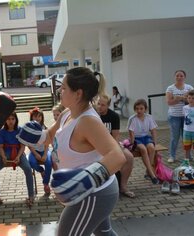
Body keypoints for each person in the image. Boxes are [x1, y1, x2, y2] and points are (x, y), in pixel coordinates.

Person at [19, 67, 126, 235]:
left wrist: (86, 179)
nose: (60, 92)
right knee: (104, 233)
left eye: (64, 88)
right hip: (92, 192)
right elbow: (49, 136)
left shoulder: (88, 122)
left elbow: (118, 156)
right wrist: (35, 136)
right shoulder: (67, 114)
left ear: (78, 93)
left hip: (94, 194)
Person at [0, 112, 35, 207]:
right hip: (5, 153)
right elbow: (0, 147)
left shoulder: (20, 130)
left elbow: (23, 146)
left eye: (12, 119)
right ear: (5, 121)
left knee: (27, 168)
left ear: (16, 120)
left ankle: (31, 196)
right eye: (8, 119)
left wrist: (18, 157)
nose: (10, 121)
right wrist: (3, 157)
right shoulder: (2, 132)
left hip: (18, 153)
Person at [96, 94, 135, 198]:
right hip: (94, 146)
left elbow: (115, 136)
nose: (100, 107)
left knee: (129, 157)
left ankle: (123, 186)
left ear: (108, 105)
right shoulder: (93, 115)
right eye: (98, 104)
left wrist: (113, 150)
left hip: (110, 144)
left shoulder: (113, 116)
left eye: (103, 105)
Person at [166, 70, 194, 163]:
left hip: (187, 117)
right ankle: (172, 156)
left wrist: (178, 98)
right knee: (175, 137)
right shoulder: (170, 88)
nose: (179, 77)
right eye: (177, 75)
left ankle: (189, 156)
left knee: (186, 138)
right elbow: (169, 102)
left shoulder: (189, 87)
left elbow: (193, 100)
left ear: (184, 77)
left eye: (181, 76)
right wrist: (183, 98)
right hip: (174, 116)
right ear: (174, 77)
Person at [128, 99, 159, 184]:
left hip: (146, 137)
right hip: (137, 139)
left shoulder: (149, 117)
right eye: (137, 108)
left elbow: (153, 130)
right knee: (143, 149)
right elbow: (131, 132)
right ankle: (152, 174)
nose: (139, 110)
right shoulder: (132, 118)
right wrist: (132, 143)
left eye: (141, 108)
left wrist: (155, 142)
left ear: (145, 109)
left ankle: (147, 171)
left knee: (151, 148)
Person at [28, 107, 52, 195]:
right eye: (34, 116)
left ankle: (46, 184)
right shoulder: (29, 129)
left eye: (39, 116)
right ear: (31, 118)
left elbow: (47, 143)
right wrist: (35, 154)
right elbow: (29, 144)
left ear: (42, 118)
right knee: (31, 162)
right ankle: (41, 171)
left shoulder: (45, 129)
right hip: (34, 151)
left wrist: (45, 154)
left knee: (49, 163)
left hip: (44, 150)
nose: (37, 118)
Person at [182, 89, 194, 161]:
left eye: (193, 98)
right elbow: (185, 116)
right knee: (187, 147)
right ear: (187, 98)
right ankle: (186, 160)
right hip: (187, 131)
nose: (191, 100)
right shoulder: (185, 108)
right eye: (189, 98)